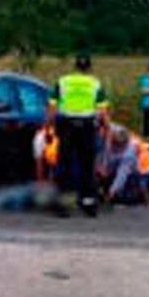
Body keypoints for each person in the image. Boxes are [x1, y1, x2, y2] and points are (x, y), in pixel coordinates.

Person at [47, 53, 109, 217]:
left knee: (64, 165)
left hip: (66, 126)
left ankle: (63, 205)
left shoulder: (63, 82)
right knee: (87, 165)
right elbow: (102, 112)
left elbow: (52, 109)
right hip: (87, 127)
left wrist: (48, 128)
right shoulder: (95, 84)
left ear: (75, 67)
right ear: (89, 68)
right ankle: (88, 203)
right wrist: (106, 128)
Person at [97, 124, 149, 206]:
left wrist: (112, 191)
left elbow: (122, 174)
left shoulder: (129, 153)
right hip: (138, 168)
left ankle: (143, 193)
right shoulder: (112, 132)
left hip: (146, 172)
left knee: (128, 193)